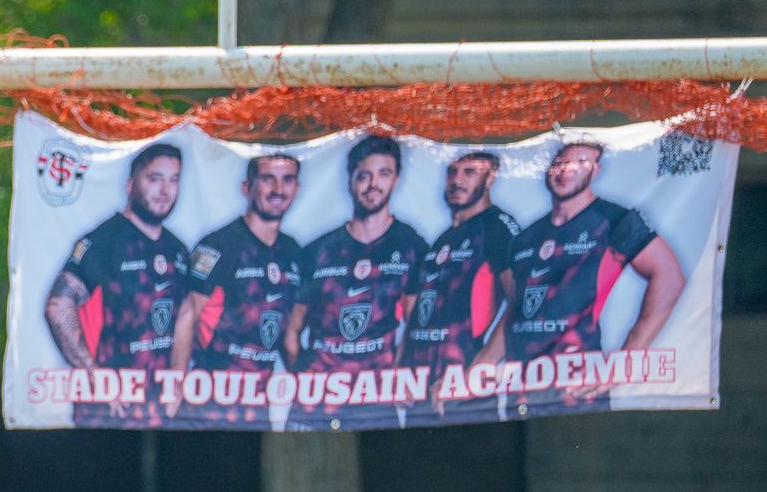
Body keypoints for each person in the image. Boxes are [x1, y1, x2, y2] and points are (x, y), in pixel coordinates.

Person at [498, 139, 686, 414]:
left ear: (596, 170)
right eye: (560, 162)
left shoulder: (613, 219)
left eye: (581, 162)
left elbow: (669, 275)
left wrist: (626, 361)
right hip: (523, 395)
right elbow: (514, 314)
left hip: (578, 392)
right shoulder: (527, 236)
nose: (567, 170)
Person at [285, 134, 426, 429]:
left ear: (396, 180)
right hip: (317, 399)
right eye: (364, 175)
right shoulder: (318, 251)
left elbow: (416, 322)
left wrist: (400, 373)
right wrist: (302, 376)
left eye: (383, 174)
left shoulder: (411, 245)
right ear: (350, 181)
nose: (373, 184)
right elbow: (291, 328)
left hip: (376, 397)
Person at [42, 143, 188, 425]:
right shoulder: (103, 241)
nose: (165, 190)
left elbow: (186, 313)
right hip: (109, 412)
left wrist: (179, 378)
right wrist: (92, 372)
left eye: (174, 179)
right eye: (154, 179)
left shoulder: (177, 248)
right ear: (130, 185)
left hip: (161, 411)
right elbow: (57, 306)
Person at [168, 153, 304, 425]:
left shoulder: (293, 252)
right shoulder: (218, 245)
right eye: (268, 179)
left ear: (296, 189)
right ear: (247, 188)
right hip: (207, 401)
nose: (278, 189)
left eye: (287, 180)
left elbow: (289, 333)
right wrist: (174, 392)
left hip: (258, 405)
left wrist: (309, 385)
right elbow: (187, 316)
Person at [399, 151, 520, 422]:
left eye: (470, 171)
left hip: (464, 392)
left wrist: (476, 374)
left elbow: (523, 301)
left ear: (491, 177)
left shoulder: (497, 227)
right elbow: (418, 315)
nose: (457, 180)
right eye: (452, 171)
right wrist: (399, 369)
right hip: (419, 391)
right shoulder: (443, 238)